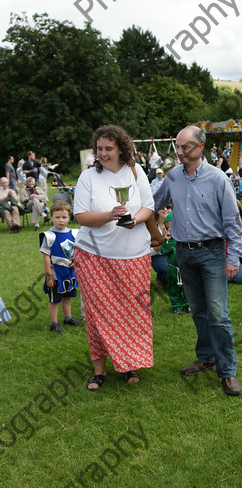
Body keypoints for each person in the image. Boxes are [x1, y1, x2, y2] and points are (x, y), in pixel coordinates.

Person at [154, 125, 242, 397]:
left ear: (200, 147)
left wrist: (233, 257)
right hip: (184, 252)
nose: (180, 152)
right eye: (178, 147)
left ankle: (228, 372)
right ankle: (206, 357)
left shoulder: (218, 179)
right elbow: (154, 203)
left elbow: (232, 221)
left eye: (186, 147)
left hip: (213, 252)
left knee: (219, 315)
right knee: (199, 311)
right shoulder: (172, 177)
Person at [73, 124, 154, 390]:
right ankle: (99, 370)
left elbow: (148, 207)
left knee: (132, 311)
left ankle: (128, 362)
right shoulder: (88, 178)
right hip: (94, 256)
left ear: (121, 148)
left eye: (109, 148)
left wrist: (134, 220)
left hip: (135, 255)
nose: (104, 153)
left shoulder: (135, 170)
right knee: (99, 314)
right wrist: (109, 215)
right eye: (100, 149)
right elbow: (81, 216)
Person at [40, 200, 84, 334]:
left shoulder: (74, 233)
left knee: (67, 296)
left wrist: (76, 261)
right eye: (57, 217)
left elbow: (77, 251)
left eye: (64, 217)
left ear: (69, 217)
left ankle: (68, 317)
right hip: (56, 274)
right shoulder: (49, 236)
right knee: (55, 300)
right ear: (51, 217)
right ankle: (54, 323)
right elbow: (46, 256)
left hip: (69, 273)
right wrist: (49, 275)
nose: (61, 220)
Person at [161, 211, 190, 314]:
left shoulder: (184, 238)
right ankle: (176, 305)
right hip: (173, 269)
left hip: (185, 267)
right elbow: (164, 251)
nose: (170, 229)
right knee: (174, 288)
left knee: (187, 287)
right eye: (168, 227)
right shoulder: (169, 240)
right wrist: (166, 241)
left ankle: (188, 304)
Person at [150, 206, 170, 289]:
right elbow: (150, 252)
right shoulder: (151, 225)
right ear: (157, 210)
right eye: (163, 207)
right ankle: (162, 280)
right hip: (157, 255)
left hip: (173, 253)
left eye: (168, 207)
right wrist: (162, 239)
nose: (165, 209)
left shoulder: (176, 222)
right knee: (166, 268)